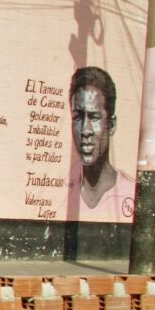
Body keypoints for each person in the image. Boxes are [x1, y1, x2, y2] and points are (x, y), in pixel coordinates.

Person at [67, 66, 135, 221]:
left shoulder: (132, 193)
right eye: (77, 117)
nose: (85, 130)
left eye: (94, 117)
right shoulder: (60, 190)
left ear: (111, 125)